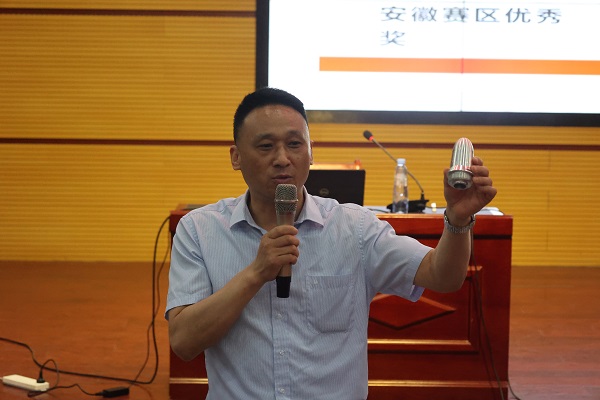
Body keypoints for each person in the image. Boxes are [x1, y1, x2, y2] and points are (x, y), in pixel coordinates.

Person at [165, 87, 497, 399]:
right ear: (236, 156)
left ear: (311, 152)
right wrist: (256, 273)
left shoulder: (354, 228)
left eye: (294, 144)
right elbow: (183, 342)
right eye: (265, 146)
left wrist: (458, 219)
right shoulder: (200, 230)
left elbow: (443, 276)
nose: (282, 158)